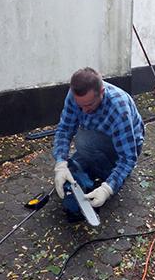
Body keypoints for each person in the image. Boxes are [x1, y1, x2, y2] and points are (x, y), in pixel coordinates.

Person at [52, 67, 144, 221]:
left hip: (126, 145)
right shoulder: (75, 96)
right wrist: (60, 163)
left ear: (101, 92)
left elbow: (128, 157)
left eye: (89, 105)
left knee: (83, 140)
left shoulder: (118, 108)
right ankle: (93, 169)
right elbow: (65, 129)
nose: (84, 110)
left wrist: (108, 188)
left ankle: (108, 173)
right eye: (80, 106)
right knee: (74, 167)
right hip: (96, 139)